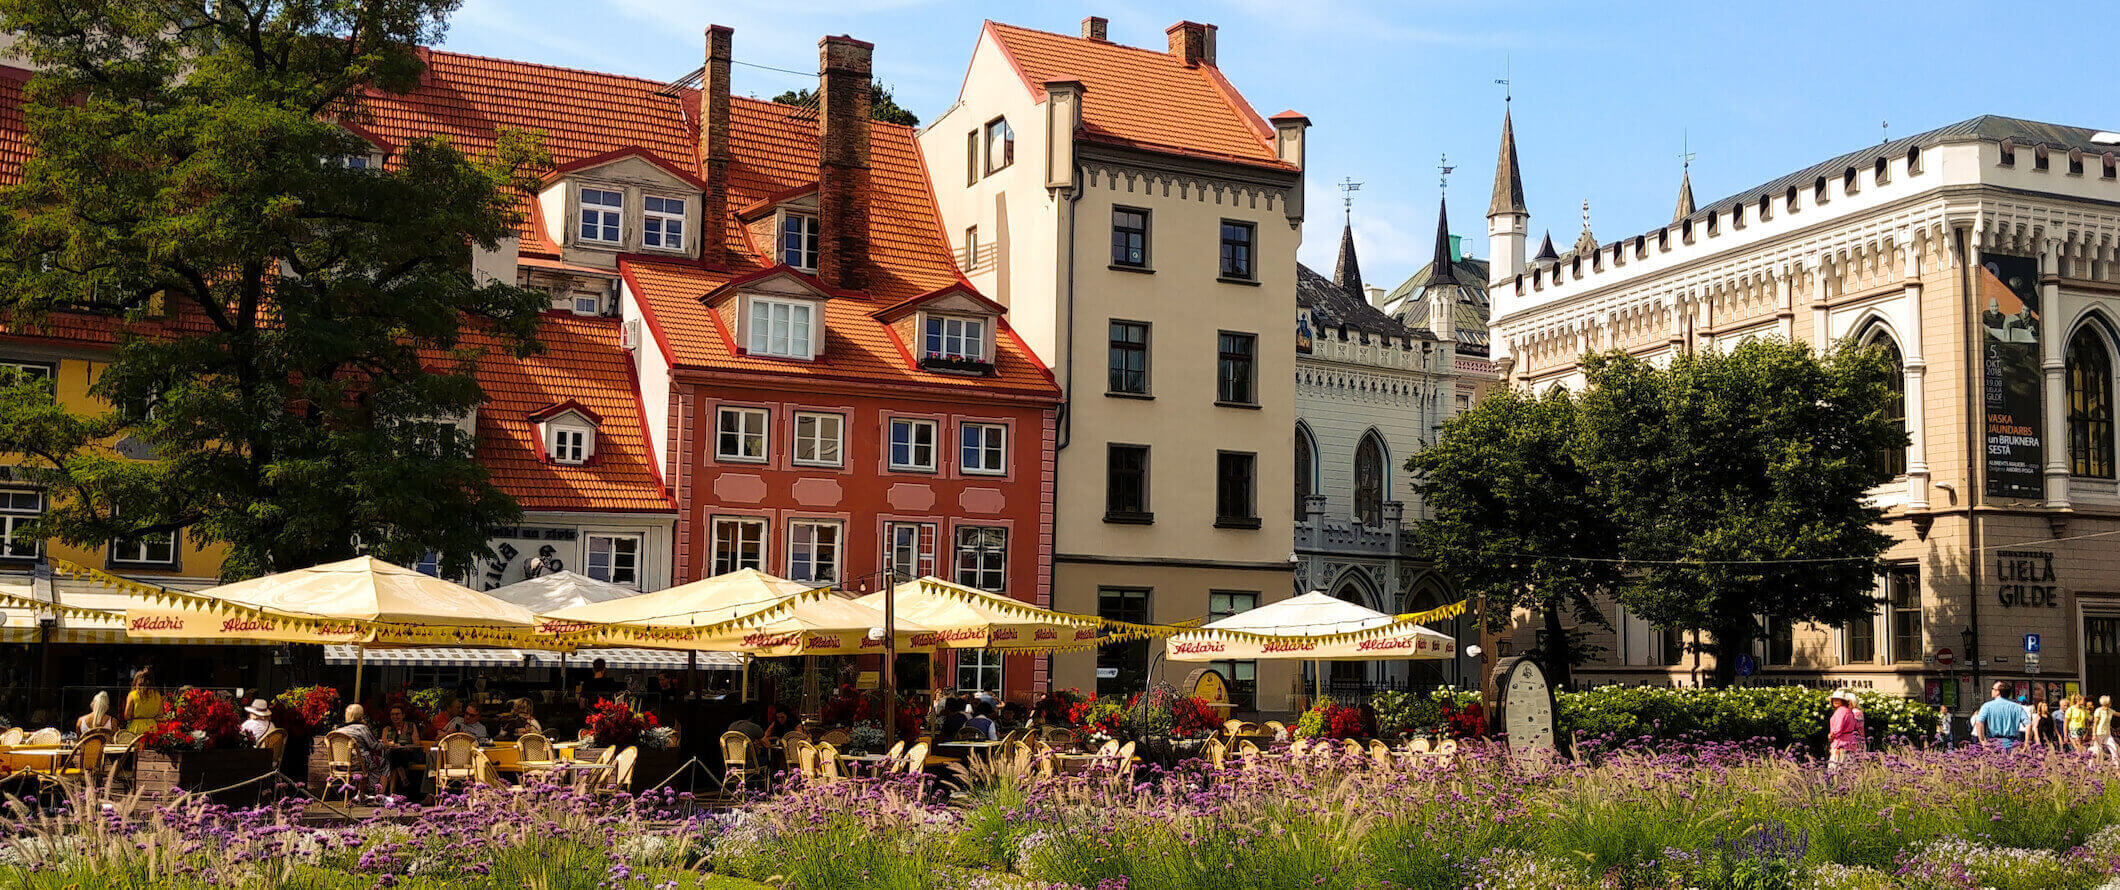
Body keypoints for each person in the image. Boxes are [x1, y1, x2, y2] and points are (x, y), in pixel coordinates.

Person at [335, 704, 388, 798]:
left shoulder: (338, 730)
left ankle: (363, 793)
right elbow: (375, 746)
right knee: (384, 763)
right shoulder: (361, 728)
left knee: (372, 765)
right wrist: (387, 744)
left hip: (340, 764)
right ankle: (378, 794)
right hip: (359, 762)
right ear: (360, 715)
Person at [1973, 681, 2031, 750]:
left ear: (1998, 692)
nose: (1991, 691)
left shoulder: (1987, 706)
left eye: (1993, 689)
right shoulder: (2017, 707)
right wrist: (2026, 743)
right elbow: (2028, 724)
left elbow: (1979, 722)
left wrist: (1982, 741)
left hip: (1993, 744)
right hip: (2012, 744)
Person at [1827, 690, 1865, 765]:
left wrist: (1831, 735)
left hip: (1840, 743)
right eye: (1834, 699)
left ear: (1843, 701)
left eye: (1838, 699)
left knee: (1836, 768)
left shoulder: (1840, 711)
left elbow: (1838, 728)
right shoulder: (1849, 711)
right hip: (1850, 743)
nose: (1836, 701)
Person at [122, 668, 164, 734]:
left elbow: (127, 716)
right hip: (152, 728)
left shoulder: (133, 695)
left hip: (136, 729)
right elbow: (160, 714)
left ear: (135, 682)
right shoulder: (157, 695)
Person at [2097, 695, 2118, 765]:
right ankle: (2093, 766)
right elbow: (2095, 723)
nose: (2111, 702)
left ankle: (2116, 765)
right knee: (2097, 750)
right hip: (2099, 733)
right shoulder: (2098, 711)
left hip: (2107, 733)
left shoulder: (2110, 711)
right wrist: (2094, 734)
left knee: (2113, 748)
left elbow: (2118, 714)